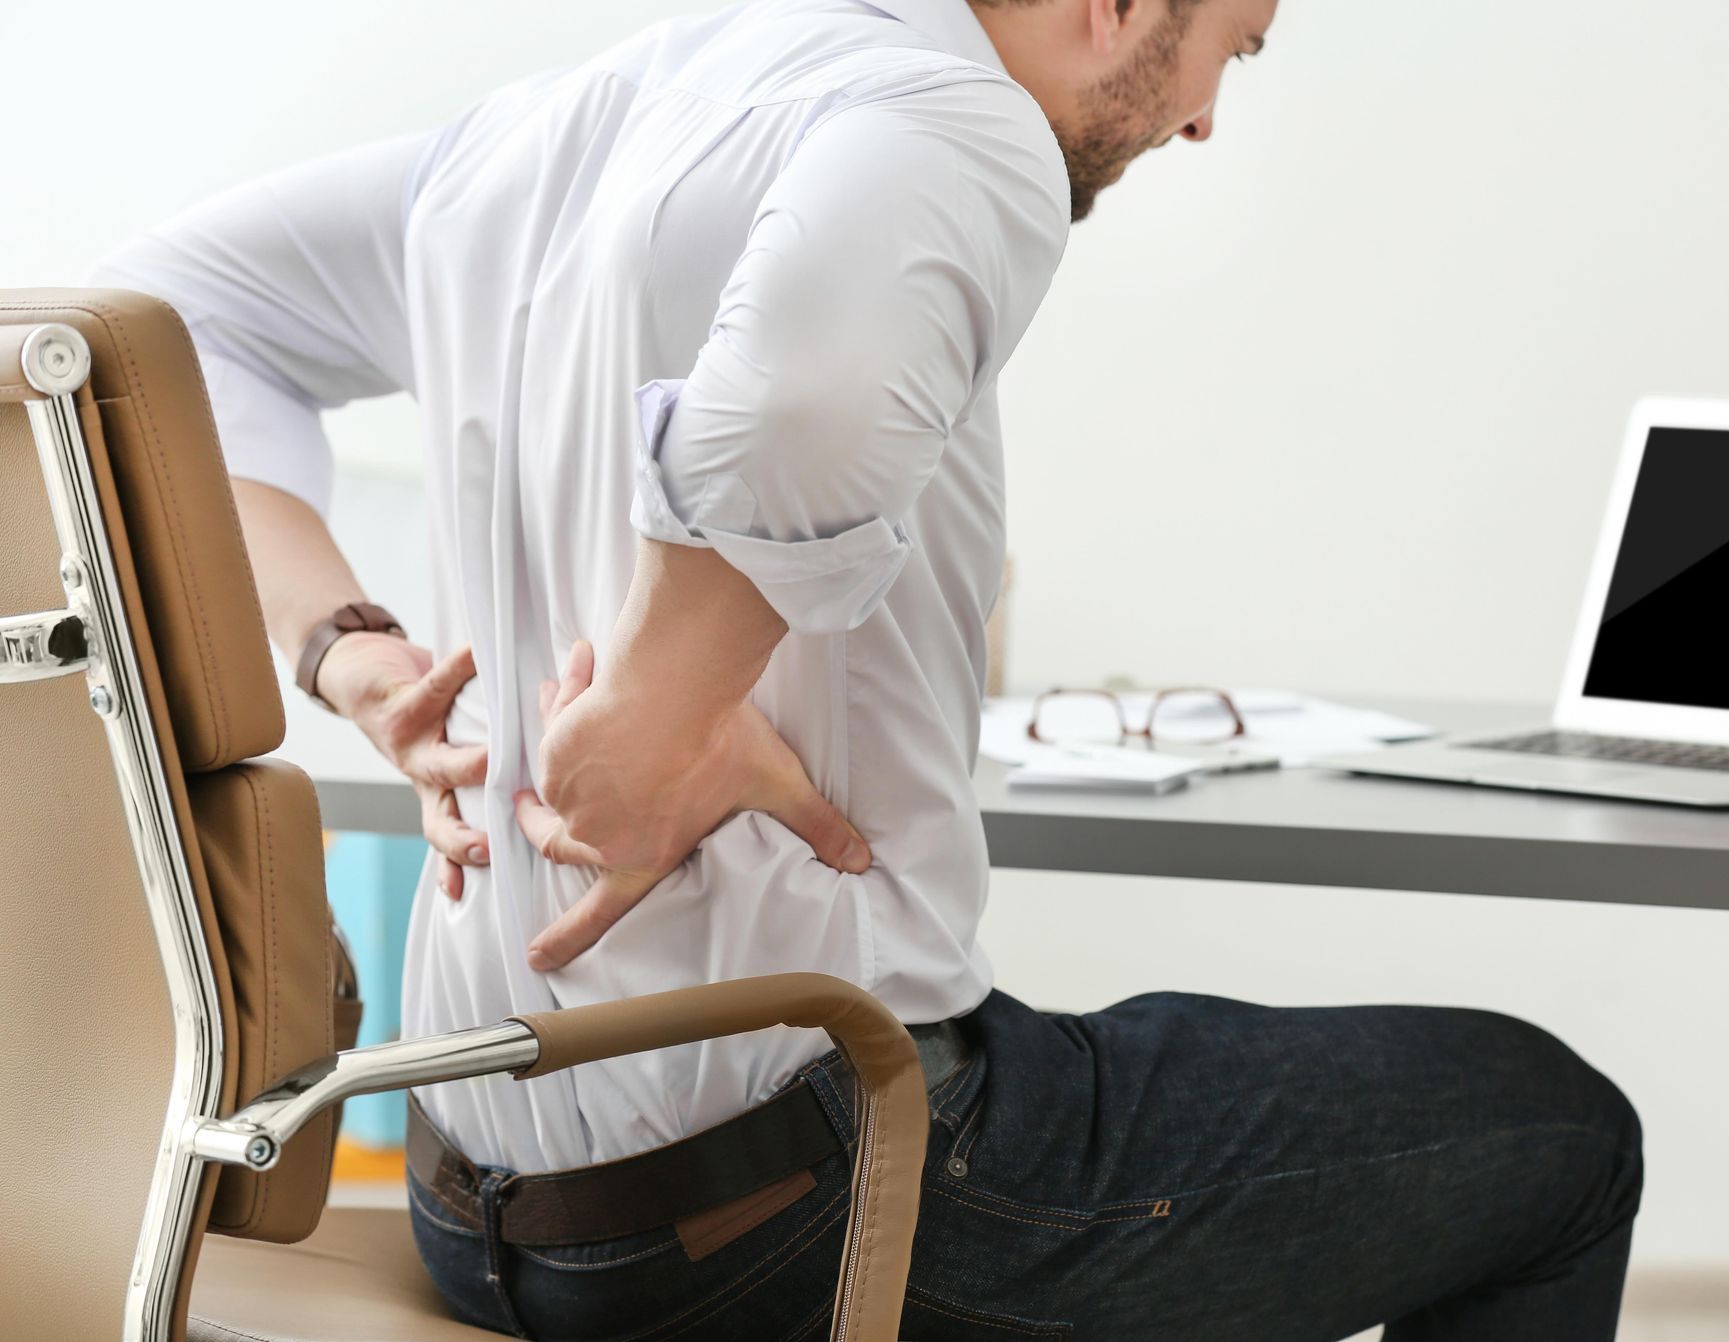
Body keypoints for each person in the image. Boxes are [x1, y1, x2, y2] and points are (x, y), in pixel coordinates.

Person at [96, 0, 1643, 1336]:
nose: (1206, 119)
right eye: (1226, 47)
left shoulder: (557, 129)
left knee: (1162, 1055)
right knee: (1557, 1133)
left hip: (470, 1188)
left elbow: (158, 324)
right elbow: (807, 406)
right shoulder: (957, 122)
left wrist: (348, 649)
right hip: (786, 1206)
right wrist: (650, 717)